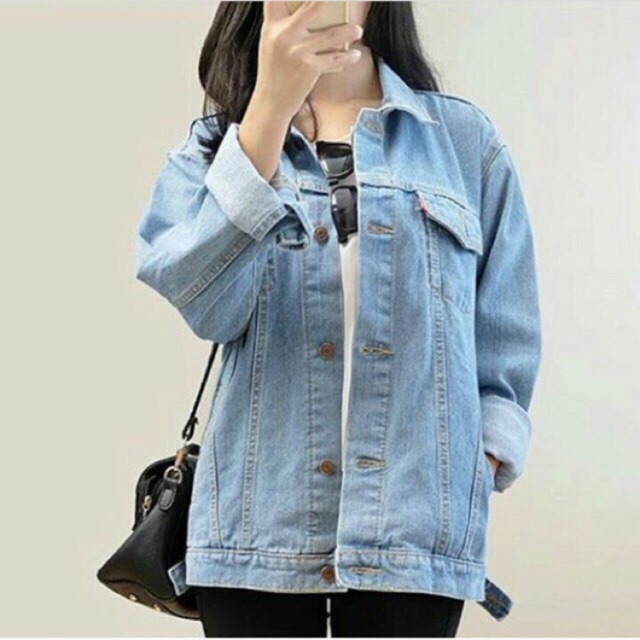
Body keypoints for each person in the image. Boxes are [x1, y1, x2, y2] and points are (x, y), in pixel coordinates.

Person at [134, 1, 542, 636]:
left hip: (415, 543)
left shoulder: (464, 144)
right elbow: (205, 303)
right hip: (253, 538)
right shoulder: (213, 148)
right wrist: (268, 110)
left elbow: (506, 336)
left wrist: (475, 467)